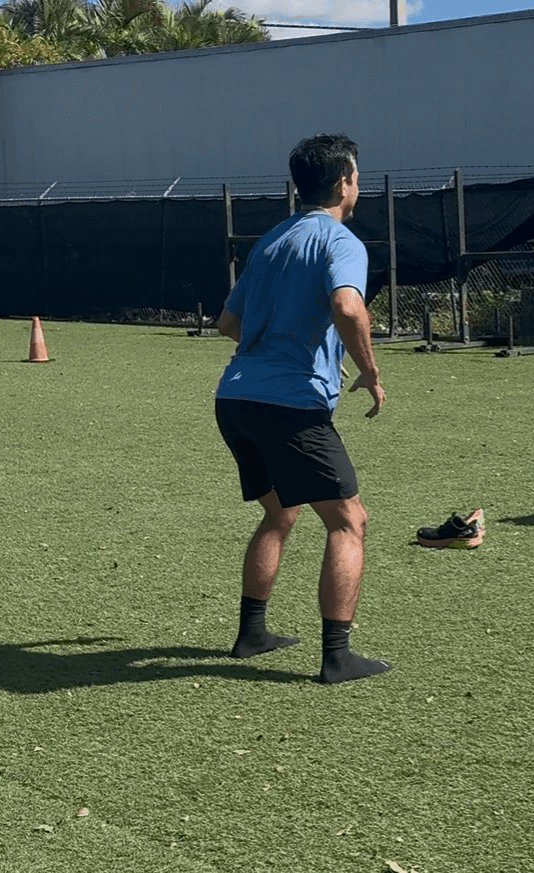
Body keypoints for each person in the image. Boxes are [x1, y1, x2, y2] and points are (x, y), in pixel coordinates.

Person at [214, 133, 391, 682]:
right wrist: (369, 369)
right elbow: (347, 306)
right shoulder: (342, 240)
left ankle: (251, 632)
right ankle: (337, 657)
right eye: (356, 177)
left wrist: (290, 346)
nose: (357, 186)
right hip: (288, 407)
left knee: (281, 510)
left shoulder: (272, 239)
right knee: (349, 522)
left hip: (234, 397)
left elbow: (228, 324)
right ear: (344, 183)